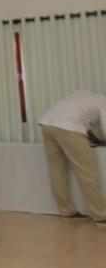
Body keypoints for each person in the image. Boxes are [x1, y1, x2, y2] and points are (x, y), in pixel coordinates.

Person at [37, 91, 106, 225]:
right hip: (68, 129)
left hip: (47, 126)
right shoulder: (104, 103)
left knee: (57, 170)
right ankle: (101, 215)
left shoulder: (85, 95)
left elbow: (82, 122)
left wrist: (96, 140)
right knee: (87, 173)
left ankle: (66, 210)